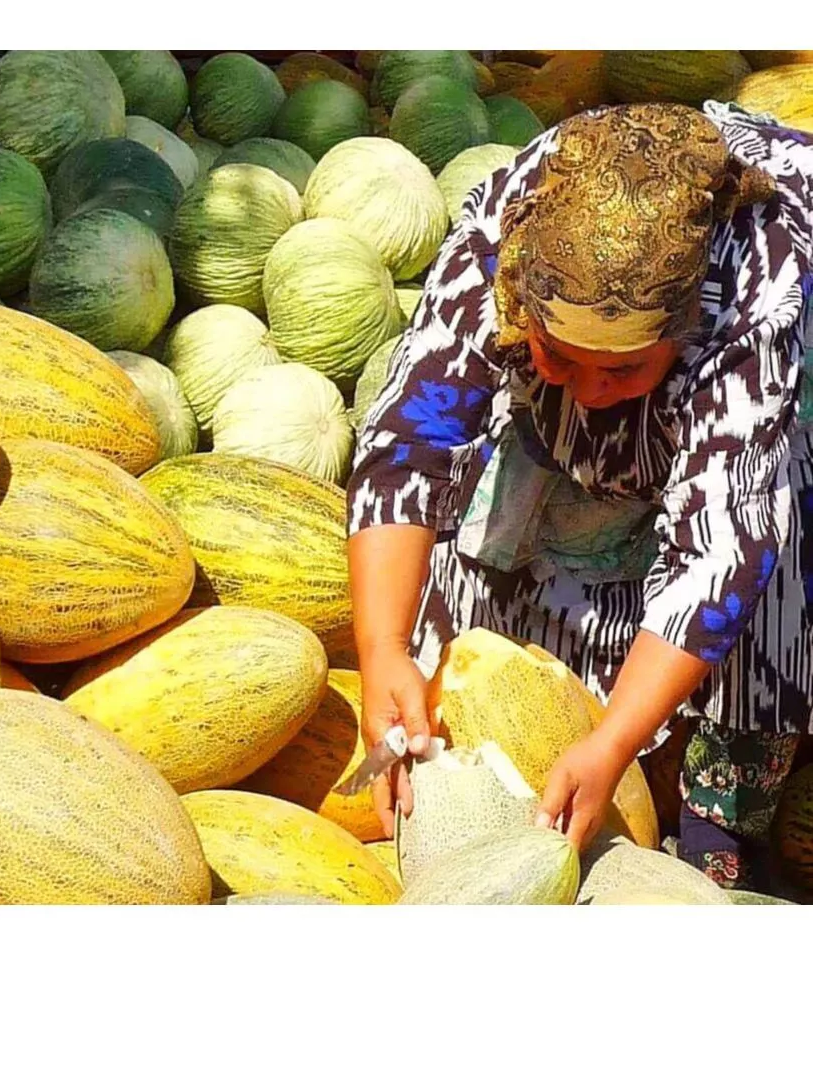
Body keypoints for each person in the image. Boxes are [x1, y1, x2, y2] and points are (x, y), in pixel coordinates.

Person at [345, 99, 813, 891]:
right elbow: (409, 440)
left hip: (777, 377)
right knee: (497, 517)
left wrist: (611, 745)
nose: (593, 393)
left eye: (623, 370)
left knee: (778, 551)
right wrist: (381, 649)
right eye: (561, 358)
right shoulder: (501, 240)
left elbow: (724, 552)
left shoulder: (753, 298)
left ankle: (721, 817)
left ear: (684, 328)